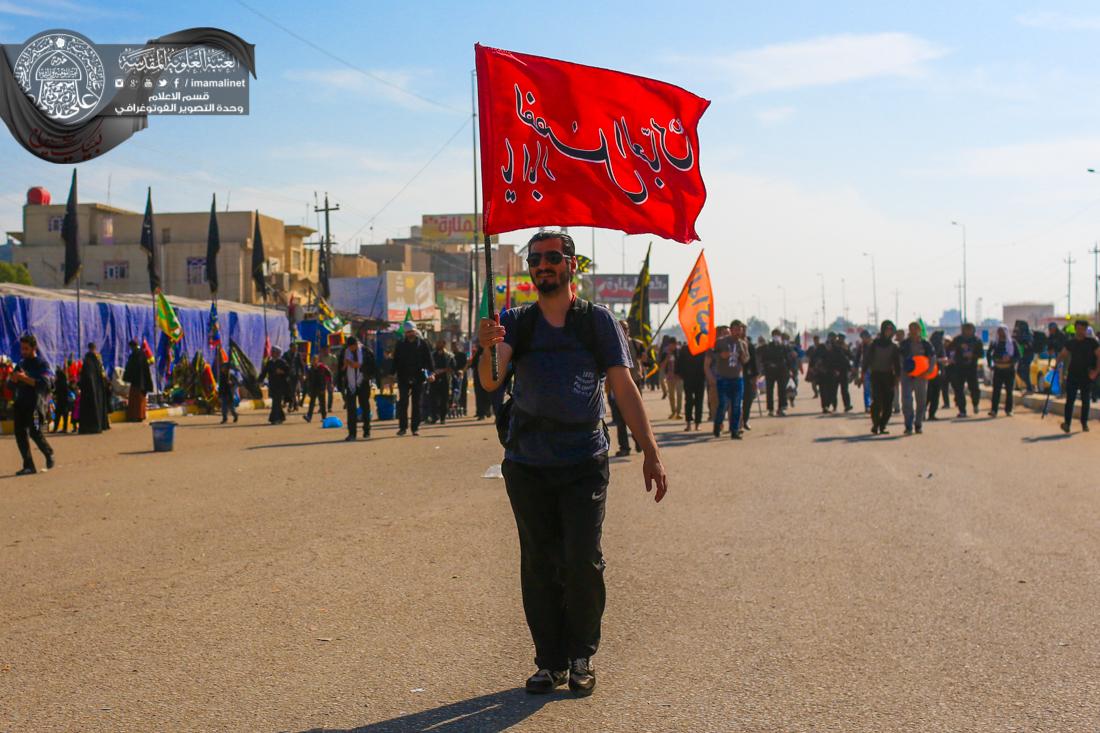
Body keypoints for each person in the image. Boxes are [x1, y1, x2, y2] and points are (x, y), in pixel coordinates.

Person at [477, 230, 667, 698]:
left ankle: (581, 654)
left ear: (571, 264)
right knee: (539, 562)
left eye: (551, 258)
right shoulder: (516, 322)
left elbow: (624, 388)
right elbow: (491, 381)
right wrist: (488, 346)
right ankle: (551, 662)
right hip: (528, 462)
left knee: (582, 559)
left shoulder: (597, 322)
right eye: (535, 258)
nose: (542, 265)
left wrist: (650, 449)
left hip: (584, 459)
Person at [10, 334, 54, 476]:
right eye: (22, 348)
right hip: (21, 404)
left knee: (35, 431)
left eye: (26, 349)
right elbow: (11, 384)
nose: (23, 351)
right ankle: (28, 465)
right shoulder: (21, 364)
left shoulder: (42, 364)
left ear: (34, 348)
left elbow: (44, 384)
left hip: (35, 406)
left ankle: (48, 453)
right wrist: (14, 380)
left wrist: (26, 379)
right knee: (20, 434)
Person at [706, 319, 749, 439]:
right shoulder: (721, 342)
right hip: (723, 378)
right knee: (723, 404)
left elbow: (745, 360)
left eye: (739, 330)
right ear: (731, 330)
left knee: (736, 405)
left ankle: (734, 430)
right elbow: (712, 355)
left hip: (737, 378)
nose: (737, 332)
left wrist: (742, 356)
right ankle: (717, 425)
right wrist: (721, 355)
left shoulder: (743, 344)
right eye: (735, 330)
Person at [1056, 319, 1100, 433]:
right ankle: (1067, 424)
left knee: (1085, 400)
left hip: (1087, 375)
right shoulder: (1071, 342)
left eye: (1083, 329)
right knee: (1069, 400)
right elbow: (1063, 354)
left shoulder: (1092, 342)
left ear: (1086, 330)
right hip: (1073, 375)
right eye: (1079, 329)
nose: (1081, 331)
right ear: (1075, 329)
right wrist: (1057, 361)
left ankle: (1084, 423)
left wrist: (1096, 371)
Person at [392, 323, 432, 436]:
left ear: (415, 331)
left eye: (411, 332)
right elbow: (395, 360)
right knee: (403, 403)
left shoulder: (422, 344)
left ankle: (415, 427)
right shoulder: (400, 344)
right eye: (407, 332)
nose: (410, 334)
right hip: (403, 377)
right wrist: (391, 373)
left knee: (416, 403)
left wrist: (430, 373)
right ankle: (402, 427)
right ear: (405, 333)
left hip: (418, 377)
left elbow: (428, 360)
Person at [863, 320, 901, 435]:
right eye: (887, 329)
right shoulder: (874, 344)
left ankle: (883, 425)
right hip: (876, 376)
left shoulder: (894, 346)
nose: (889, 332)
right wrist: (862, 374)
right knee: (877, 402)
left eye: (891, 329)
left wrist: (897, 378)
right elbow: (867, 360)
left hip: (888, 376)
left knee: (888, 403)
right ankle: (875, 424)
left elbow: (897, 363)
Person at [898, 322, 933, 435]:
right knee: (906, 400)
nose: (913, 331)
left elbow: (932, 357)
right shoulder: (904, 344)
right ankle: (908, 425)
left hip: (921, 376)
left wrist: (928, 371)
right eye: (911, 329)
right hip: (907, 376)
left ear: (919, 330)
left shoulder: (926, 344)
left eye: (915, 329)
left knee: (921, 401)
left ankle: (918, 424)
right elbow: (899, 358)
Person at [338, 336, 376, 440]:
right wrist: (346, 365)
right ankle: (352, 433)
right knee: (351, 409)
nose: (351, 349)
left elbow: (372, 367)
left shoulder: (366, 351)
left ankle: (367, 430)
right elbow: (340, 370)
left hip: (363, 382)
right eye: (349, 347)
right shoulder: (344, 353)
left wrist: (359, 366)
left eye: (352, 346)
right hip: (350, 384)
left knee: (365, 407)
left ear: (356, 344)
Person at [949, 323, 984, 417]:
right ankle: (962, 410)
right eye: (966, 329)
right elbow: (950, 349)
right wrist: (953, 357)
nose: (968, 331)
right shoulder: (957, 340)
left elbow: (981, 354)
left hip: (972, 368)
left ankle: (975, 403)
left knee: (974, 388)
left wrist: (972, 355)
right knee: (959, 389)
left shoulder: (977, 341)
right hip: (959, 368)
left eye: (970, 329)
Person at [675, 338, 706, 431]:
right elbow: (679, 363)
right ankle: (688, 423)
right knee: (688, 401)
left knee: (699, 402)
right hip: (688, 378)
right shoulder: (684, 349)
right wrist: (679, 374)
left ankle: (697, 423)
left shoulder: (703, 349)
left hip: (700, 378)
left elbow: (707, 363)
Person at [987, 325, 1019, 417]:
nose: (1001, 333)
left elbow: (1018, 356)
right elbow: (989, 354)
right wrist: (991, 364)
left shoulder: (1012, 343)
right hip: (998, 369)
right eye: (999, 331)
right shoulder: (995, 343)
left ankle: (1009, 410)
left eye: (1002, 331)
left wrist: (1010, 359)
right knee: (996, 390)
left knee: (1009, 391)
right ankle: (994, 410)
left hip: (1009, 370)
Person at [78, 343, 108, 434]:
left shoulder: (87, 361)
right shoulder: (97, 361)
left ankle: (89, 428)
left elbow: (85, 376)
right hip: (97, 390)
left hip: (88, 391)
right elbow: (102, 375)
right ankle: (98, 426)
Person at [759, 329, 789, 416]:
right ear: (772, 336)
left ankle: (781, 408)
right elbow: (763, 359)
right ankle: (770, 409)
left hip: (781, 371)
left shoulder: (783, 346)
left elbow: (787, 358)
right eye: (775, 335)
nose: (776, 336)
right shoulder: (768, 346)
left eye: (778, 335)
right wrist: (769, 364)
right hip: (770, 371)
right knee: (769, 390)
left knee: (782, 390)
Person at [122, 340, 153, 422]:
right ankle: (141, 415)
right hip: (143, 381)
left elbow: (130, 368)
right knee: (141, 400)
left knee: (135, 400)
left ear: (132, 346)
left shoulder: (134, 355)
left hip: (136, 381)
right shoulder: (142, 354)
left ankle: (135, 416)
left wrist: (127, 377)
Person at [258, 346, 290, 424]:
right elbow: (264, 372)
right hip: (272, 385)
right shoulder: (270, 362)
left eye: (274, 352)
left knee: (276, 402)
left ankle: (275, 419)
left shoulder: (282, 362)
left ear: (278, 353)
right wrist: (259, 380)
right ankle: (281, 417)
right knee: (276, 402)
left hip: (280, 385)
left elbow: (289, 372)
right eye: (272, 352)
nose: (272, 353)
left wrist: (282, 372)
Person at [429, 339, 455, 425]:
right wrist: (432, 372)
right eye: (437, 343)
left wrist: (442, 370)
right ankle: (434, 417)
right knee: (433, 400)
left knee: (444, 400)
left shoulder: (449, 356)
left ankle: (442, 418)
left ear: (444, 344)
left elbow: (453, 367)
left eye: (440, 343)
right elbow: (427, 366)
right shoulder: (432, 355)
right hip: (433, 380)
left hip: (445, 380)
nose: (438, 344)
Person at [926, 330, 949, 421]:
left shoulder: (934, 345)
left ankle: (928, 413)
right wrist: (940, 360)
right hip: (933, 373)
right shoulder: (932, 346)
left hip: (935, 373)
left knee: (931, 394)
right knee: (932, 395)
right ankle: (930, 414)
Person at [303, 355, 331, 423]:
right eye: (312, 360)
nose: (313, 361)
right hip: (313, 388)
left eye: (315, 360)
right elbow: (309, 379)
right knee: (311, 403)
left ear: (317, 360)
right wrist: (308, 388)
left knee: (322, 403)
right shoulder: (311, 368)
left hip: (321, 387)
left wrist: (329, 384)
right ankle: (309, 417)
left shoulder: (322, 367)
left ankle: (324, 417)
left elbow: (329, 374)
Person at [740, 331, 758, 430]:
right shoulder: (732, 344)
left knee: (748, 399)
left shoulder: (750, 346)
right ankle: (736, 422)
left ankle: (745, 420)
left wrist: (755, 377)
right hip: (734, 375)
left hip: (748, 376)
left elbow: (754, 362)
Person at [853, 330, 873, 413]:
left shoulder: (875, 345)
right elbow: (857, 359)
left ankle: (874, 405)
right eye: (863, 337)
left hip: (876, 370)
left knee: (875, 389)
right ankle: (867, 406)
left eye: (866, 337)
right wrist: (855, 370)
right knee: (867, 389)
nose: (864, 339)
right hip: (865, 370)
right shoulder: (861, 347)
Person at [663, 338, 683, 420]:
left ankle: (678, 412)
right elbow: (662, 366)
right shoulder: (665, 352)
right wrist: (666, 359)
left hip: (679, 377)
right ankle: (673, 412)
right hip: (669, 377)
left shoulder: (680, 352)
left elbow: (683, 363)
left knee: (679, 394)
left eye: (674, 345)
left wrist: (681, 374)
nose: (673, 346)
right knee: (671, 395)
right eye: (671, 345)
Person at [51, 365, 72, 434]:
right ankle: (64, 429)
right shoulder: (63, 382)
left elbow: (57, 391)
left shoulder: (59, 383)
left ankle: (56, 429)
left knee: (58, 416)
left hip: (62, 401)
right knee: (64, 416)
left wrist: (53, 393)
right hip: (64, 401)